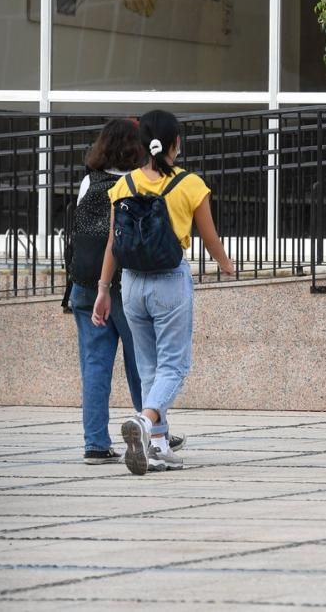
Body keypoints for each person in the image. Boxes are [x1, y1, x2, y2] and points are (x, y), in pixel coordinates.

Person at [92, 109, 234, 476]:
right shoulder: (190, 184)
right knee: (174, 366)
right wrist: (227, 265)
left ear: (143, 145)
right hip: (170, 281)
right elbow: (208, 236)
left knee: (149, 367)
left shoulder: (122, 186)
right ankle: (143, 420)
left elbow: (112, 242)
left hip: (132, 285)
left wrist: (103, 289)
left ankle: (156, 446)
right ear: (175, 144)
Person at [69, 120, 143, 464]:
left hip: (84, 285)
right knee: (140, 363)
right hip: (125, 285)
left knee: (95, 365)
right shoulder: (137, 184)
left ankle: (95, 443)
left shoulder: (89, 180)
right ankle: (152, 431)